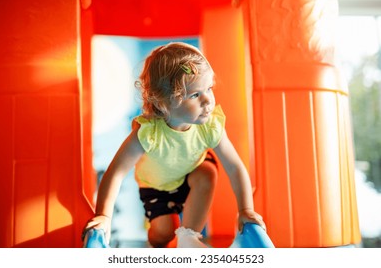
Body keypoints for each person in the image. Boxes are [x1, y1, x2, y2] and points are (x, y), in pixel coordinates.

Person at [83, 42, 265, 248]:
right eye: (195, 95)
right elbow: (115, 173)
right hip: (157, 187)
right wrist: (104, 216)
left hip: (192, 171)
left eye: (209, 88)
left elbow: (235, 167)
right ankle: (159, 238)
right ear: (164, 103)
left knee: (207, 172)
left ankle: (189, 237)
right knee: (164, 233)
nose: (208, 101)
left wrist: (245, 210)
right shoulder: (149, 133)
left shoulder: (209, 125)